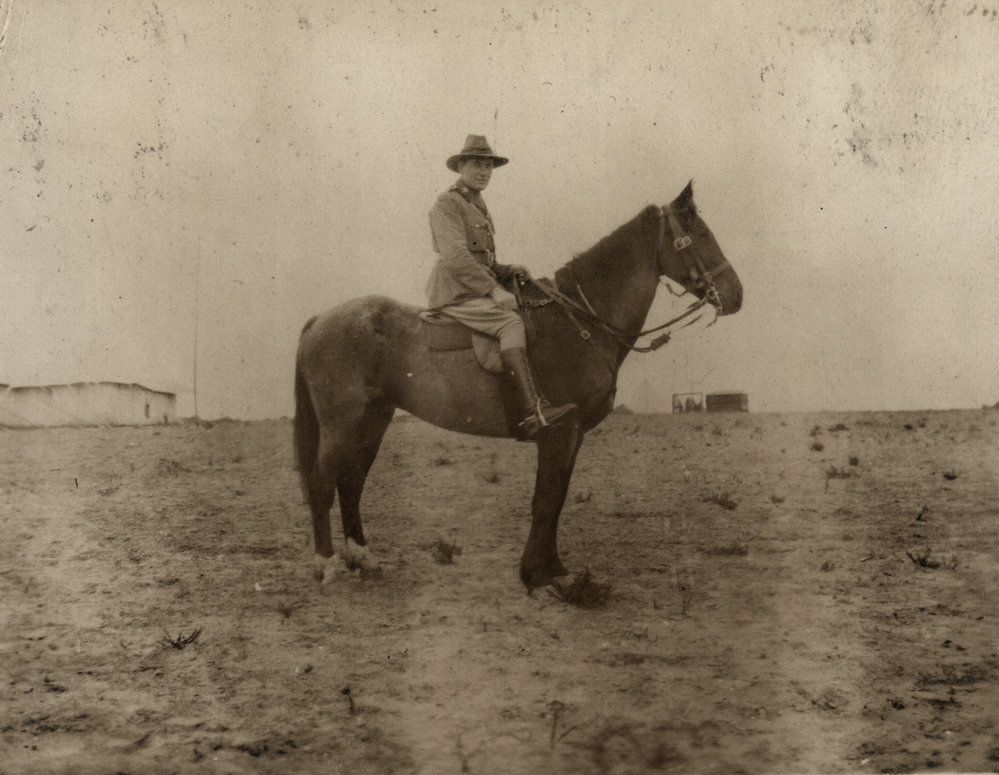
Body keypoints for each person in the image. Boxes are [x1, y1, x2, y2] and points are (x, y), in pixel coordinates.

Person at [426, 134, 575, 438]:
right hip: (456, 293)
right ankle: (533, 411)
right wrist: (493, 289)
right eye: (477, 165)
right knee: (511, 324)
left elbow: (483, 260)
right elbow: (455, 257)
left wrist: (506, 271)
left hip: (472, 287)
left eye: (489, 166)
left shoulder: (476, 204)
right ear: (461, 167)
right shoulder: (448, 203)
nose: (484, 172)